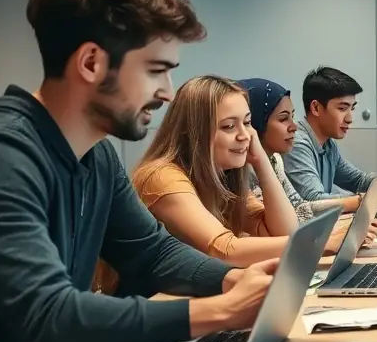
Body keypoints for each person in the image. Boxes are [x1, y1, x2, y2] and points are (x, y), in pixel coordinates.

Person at [0, 0, 277, 342]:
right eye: (155, 71)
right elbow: (48, 312)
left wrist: (232, 279)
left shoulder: (97, 155)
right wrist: (220, 311)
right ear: (91, 63)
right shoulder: (7, 154)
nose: (167, 93)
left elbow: (151, 253)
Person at [132, 75, 354, 267]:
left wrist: (261, 162)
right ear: (194, 134)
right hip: (151, 298)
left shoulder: (225, 175)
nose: (245, 135)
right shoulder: (161, 176)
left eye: (247, 123)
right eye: (229, 126)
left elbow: (284, 232)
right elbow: (223, 250)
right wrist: (320, 242)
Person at [238, 78, 377, 243]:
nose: (294, 127)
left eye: (292, 116)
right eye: (283, 119)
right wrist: (329, 238)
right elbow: (282, 229)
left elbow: (300, 208)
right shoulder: (240, 171)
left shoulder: (275, 160)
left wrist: (340, 228)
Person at [284, 66, 377, 211]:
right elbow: (314, 200)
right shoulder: (296, 143)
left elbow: (357, 180)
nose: (349, 119)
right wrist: (366, 199)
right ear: (316, 108)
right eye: (342, 108)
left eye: (351, 108)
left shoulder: (328, 144)